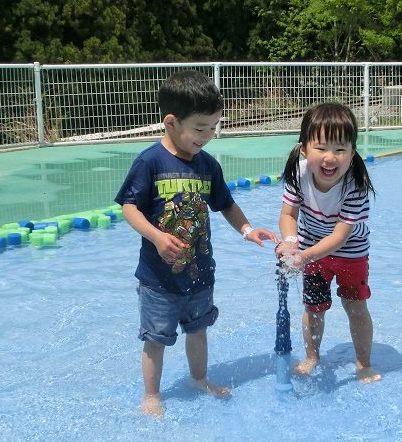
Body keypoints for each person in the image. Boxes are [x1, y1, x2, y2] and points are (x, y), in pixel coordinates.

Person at [115, 70, 278, 417]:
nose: (208, 136)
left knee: (198, 330)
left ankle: (199, 378)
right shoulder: (150, 162)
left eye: (213, 127)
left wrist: (248, 230)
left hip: (200, 272)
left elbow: (226, 205)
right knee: (156, 339)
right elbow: (129, 208)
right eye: (200, 128)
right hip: (159, 278)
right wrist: (157, 237)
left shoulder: (207, 166)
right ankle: (151, 395)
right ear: (171, 123)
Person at [274, 103, 381, 384]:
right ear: (304, 149)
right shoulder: (298, 174)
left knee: (355, 307)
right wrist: (290, 242)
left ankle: (363, 363)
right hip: (311, 249)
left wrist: (303, 256)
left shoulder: (355, 185)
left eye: (340, 149)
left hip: (350, 253)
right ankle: (312, 357)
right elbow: (288, 215)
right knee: (314, 308)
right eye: (321, 148)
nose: (330, 158)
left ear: (352, 153)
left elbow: (340, 236)